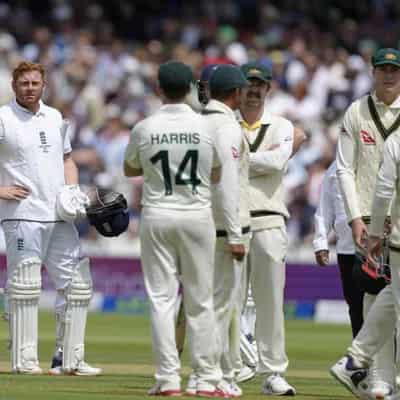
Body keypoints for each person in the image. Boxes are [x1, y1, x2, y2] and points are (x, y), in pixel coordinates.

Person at [123, 60, 234, 397]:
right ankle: (206, 379)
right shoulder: (205, 127)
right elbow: (216, 173)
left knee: (161, 299)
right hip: (197, 216)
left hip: (157, 214)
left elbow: (130, 170)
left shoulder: (145, 127)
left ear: (159, 89)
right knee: (201, 300)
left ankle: (169, 379)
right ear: (190, 88)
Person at [0, 61, 101, 376]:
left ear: (44, 85)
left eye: (35, 83)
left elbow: (67, 159)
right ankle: (24, 359)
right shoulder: (3, 117)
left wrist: (71, 190)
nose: (30, 88)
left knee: (77, 285)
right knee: (26, 285)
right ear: (15, 86)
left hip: (58, 215)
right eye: (24, 83)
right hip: (22, 215)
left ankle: (68, 358)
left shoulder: (56, 117)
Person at [330, 47, 400, 399]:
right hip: (369, 220)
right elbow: (344, 167)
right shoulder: (357, 111)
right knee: (374, 298)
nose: (389, 75)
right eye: (383, 69)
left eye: (395, 69)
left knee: (391, 301)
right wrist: (355, 218)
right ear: (373, 72)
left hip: (399, 219)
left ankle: (378, 375)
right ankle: (377, 379)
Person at [237, 60, 296, 396]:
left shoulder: (282, 125)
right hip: (230, 221)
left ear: (268, 89)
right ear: (238, 89)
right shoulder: (225, 123)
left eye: (261, 84)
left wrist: (237, 159)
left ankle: (273, 372)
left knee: (270, 302)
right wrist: (257, 159)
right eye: (249, 84)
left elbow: (277, 162)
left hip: (270, 219)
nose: (254, 90)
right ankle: (228, 371)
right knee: (228, 302)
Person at [196, 64, 248, 397]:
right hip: (220, 230)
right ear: (235, 93)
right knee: (219, 306)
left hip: (196, 225)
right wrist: (235, 233)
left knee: (205, 305)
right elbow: (226, 185)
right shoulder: (227, 128)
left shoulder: (197, 122)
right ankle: (210, 377)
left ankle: (216, 373)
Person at [313, 161, 364, 338]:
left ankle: (384, 361)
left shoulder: (377, 159)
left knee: (381, 307)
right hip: (346, 249)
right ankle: (361, 361)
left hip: (376, 248)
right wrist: (321, 242)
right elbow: (324, 209)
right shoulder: (333, 170)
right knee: (356, 308)